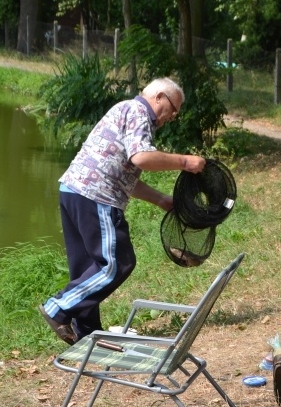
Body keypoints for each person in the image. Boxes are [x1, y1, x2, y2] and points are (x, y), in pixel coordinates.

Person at [39, 77, 206, 345]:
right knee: (116, 263)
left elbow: (125, 173)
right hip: (96, 196)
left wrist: (161, 199)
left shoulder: (125, 109)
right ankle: (57, 308)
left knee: (87, 269)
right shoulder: (140, 111)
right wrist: (185, 161)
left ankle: (87, 334)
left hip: (73, 191)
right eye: (174, 108)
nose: (173, 116)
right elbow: (141, 158)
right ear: (159, 97)